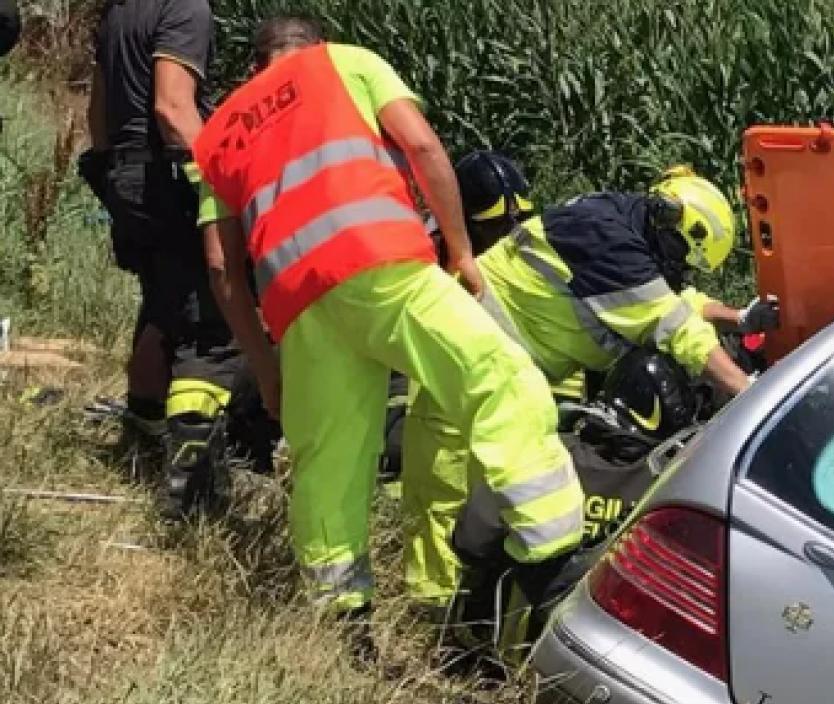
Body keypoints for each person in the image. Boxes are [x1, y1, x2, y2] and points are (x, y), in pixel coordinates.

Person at [189, 16, 584, 623]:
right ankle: (549, 559)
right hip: (381, 264)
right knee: (501, 376)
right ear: (312, 47)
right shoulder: (345, 62)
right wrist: (458, 248)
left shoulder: (217, 133)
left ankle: (344, 622)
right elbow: (423, 146)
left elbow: (221, 268)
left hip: (302, 313)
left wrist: (265, 366)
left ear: (253, 66)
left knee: (330, 465)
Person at [400, 151, 777, 608]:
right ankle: (432, 622)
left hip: (498, 373)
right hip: (462, 362)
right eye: (685, 257)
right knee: (446, 494)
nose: (683, 270)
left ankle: (475, 612)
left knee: (501, 498)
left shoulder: (618, 226)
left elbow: (675, 299)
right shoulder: (611, 244)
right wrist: (751, 394)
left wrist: (737, 316)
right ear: (673, 227)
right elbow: (678, 327)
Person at [76, 0, 263, 517]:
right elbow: (172, 107)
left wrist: (111, 176)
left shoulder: (120, 11)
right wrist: (223, 182)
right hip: (163, 174)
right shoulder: (186, 8)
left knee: (160, 304)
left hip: (124, 172)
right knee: (208, 325)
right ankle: (194, 487)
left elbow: (97, 109)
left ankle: (141, 436)